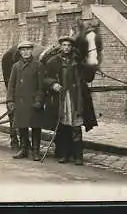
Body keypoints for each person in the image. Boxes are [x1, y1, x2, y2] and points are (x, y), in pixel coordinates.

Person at [44, 36, 98, 165]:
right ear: (60, 46)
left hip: (76, 98)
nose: (66, 48)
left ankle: (78, 156)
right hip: (62, 97)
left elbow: (89, 77)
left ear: (72, 47)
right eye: (64, 45)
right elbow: (46, 78)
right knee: (63, 126)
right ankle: (63, 154)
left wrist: (89, 62)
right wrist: (53, 84)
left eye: (68, 45)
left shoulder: (79, 61)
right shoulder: (53, 62)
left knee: (76, 126)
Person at [6, 41, 45, 161]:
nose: (25, 52)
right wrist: (10, 101)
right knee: (22, 126)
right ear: (20, 52)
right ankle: (23, 149)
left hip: (33, 101)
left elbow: (41, 86)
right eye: (23, 50)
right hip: (21, 101)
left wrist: (39, 100)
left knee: (35, 127)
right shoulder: (16, 67)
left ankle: (36, 151)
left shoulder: (38, 65)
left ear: (31, 50)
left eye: (28, 49)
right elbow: (11, 85)